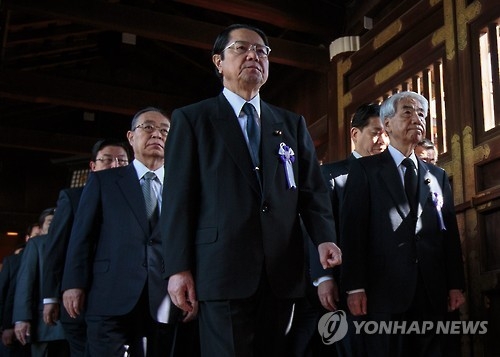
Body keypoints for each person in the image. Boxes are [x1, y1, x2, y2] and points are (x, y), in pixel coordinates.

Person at [159, 23, 341, 357]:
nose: (253, 55)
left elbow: (312, 191)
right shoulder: (193, 120)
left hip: (281, 271)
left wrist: (324, 237)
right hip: (221, 268)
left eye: (261, 51)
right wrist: (178, 268)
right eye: (241, 48)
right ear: (218, 62)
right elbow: (177, 200)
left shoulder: (290, 124)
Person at [340, 91, 466, 356]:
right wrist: (355, 286)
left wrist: (455, 283)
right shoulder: (366, 170)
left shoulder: (437, 176)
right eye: (407, 112)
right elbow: (353, 231)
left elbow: (449, 234)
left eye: (421, 114)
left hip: (433, 290)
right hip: (384, 292)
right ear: (387, 124)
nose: (416, 119)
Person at [61, 107, 181, 357]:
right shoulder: (105, 182)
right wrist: (73, 284)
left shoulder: (182, 186)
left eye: (164, 131)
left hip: (164, 300)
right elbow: (82, 237)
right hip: (109, 295)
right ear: (130, 137)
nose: (157, 134)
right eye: (148, 127)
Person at [288, 103, 388, 357]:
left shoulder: (391, 177)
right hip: (343, 283)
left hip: (386, 284)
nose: (382, 140)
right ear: (355, 134)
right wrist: (324, 277)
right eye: (376, 132)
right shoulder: (332, 175)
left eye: (387, 132)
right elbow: (316, 226)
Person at [41, 138, 131, 357]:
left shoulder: (134, 198)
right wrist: (51, 297)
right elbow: (56, 249)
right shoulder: (73, 197)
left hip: (117, 299)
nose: (114, 166)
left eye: (121, 161)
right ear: (93, 166)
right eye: (107, 160)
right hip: (78, 298)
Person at [13, 208, 70, 357]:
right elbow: (26, 281)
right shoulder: (36, 244)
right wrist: (21, 318)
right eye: (50, 222)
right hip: (44, 324)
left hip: (74, 323)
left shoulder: (73, 242)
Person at [0, 223, 39, 357]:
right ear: (28, 239)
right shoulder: (14, 261)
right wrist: (7, 326)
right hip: (16, 329)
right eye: (36, 236)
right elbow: (7, 294)